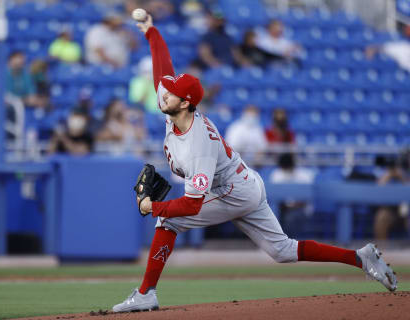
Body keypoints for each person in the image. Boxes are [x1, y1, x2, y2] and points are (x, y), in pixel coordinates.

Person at [112, 13, 397, 313]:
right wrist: (151, 32)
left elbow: (193, 205)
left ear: (185, 102)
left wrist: (151, 207)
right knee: (283, 250)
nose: (164, 93)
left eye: (172, 93)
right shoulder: (175, 109)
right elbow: (163, 70)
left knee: (167, 220)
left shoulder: (199, 144)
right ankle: (360, 257)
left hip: (233, 190)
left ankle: (146, 293)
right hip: (245, 182)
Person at [269, 152, 315, 238]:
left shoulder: (304, 176)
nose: (285, 169)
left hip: (300, 209)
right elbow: (273, 196)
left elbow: (305, 200)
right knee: (269, 215)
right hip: (280, 207)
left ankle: (291, 244)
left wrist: (291, 206)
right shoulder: (277, 174)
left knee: (290, 218)